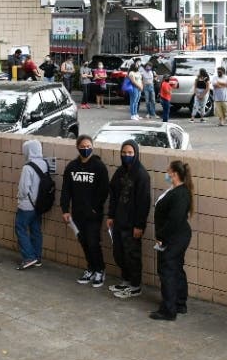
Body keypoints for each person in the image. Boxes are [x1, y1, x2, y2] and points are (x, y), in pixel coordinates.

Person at [61, 135, 110, 287]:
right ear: (77, 147)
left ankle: (100, 270)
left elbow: (104, 190)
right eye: (83, 146)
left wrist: (95, 208)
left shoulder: (99, 167)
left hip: (93, 215)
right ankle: (91, 268)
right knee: (84, 242)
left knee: (93, 242)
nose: (86, 149)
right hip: (77, 214)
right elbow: (66, 190)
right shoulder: (72, 167)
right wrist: (65, 209)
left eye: (88, 146)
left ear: (92, 147)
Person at [149, 160, 194, 320]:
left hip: (174, 238)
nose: (166, 174)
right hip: (177, 236)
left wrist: (161, 237)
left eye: (168, 171)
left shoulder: (180, 193)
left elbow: (174, 220)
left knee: (167, 270)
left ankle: (169, 310)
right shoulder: (177, 191)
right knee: (176, 268)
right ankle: (179, 303)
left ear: (174, 173)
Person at [107, 140, 151, 299]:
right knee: (119, 253)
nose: (126, 156)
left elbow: (144, 203)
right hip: (118, 222)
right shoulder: (120, 172)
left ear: (136, 154)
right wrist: (111, 215)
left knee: (132, 255)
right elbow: (113, 195)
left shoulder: (141, 175)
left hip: (132, 225)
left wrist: (139, 225)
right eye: (124, 153)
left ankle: (135, 285)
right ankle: (125, 281)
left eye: (130, 153)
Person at [15, 139, 48, 270]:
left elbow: (23, 189)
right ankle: (37, 257)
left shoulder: (27, 167)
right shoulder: (44, 164)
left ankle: (29, 257)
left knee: (20, 228)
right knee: (36, 230)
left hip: (27, 205)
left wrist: (19, 198)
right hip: (39, 205)